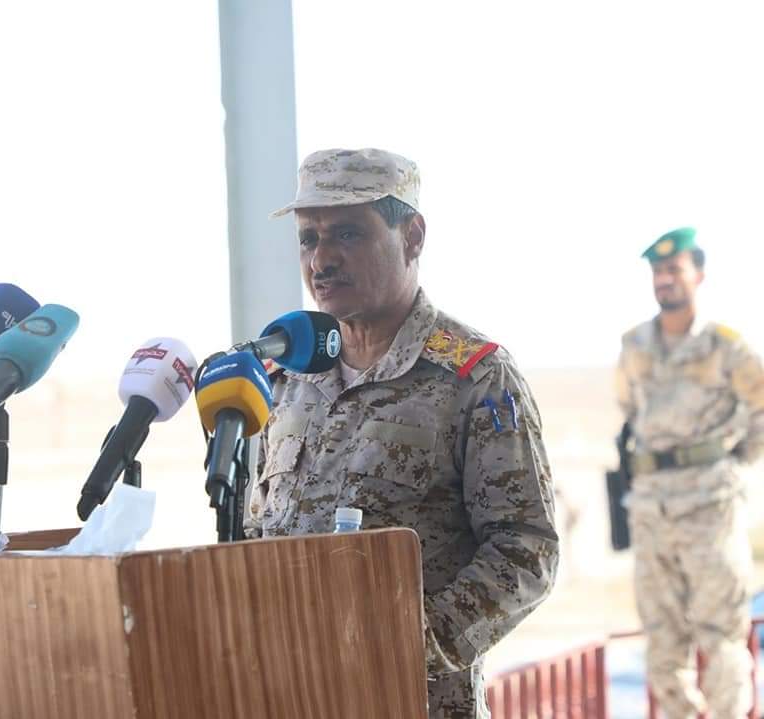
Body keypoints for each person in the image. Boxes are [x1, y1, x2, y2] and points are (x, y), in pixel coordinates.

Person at [245, 148, 559, 717]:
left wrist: (411, 643)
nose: (322, 259)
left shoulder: (474, 378)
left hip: (412, 698)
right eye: (308, 239)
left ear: (412, 236)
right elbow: (256, 530)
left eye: (347, 233)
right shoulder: (287, 381)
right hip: (290, 696)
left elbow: (526, 550)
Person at [616, 227, 764, 719]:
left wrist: (733, 462)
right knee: (662, 636)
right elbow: (628, 409)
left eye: (674, 269)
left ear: (698, 274)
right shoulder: (634, 344)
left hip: (710, 508)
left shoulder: (726, 346)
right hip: (651, 508)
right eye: (658, 271)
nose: (665, 279)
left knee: (721, 634)